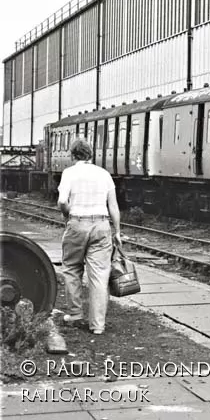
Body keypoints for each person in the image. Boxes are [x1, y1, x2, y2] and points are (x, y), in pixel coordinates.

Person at [57, 138, 121, 335]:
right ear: (91, 154)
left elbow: (61, 201)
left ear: (72, 155)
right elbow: (113, 206)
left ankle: (75, 314)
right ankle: (97, 325)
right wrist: (117, 231)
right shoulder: (104, 174)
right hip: (101, 225)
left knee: (72, 268)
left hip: (77, 223)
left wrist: (68, 215)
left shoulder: (69, 173)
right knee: (100, 275)